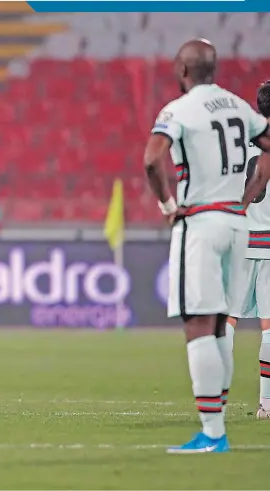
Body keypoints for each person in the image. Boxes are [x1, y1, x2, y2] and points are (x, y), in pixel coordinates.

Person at [143, 38, 270, 453]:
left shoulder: (178, 110)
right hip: (238, 225)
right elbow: (266, 142)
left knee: (201, 324)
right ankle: (218, 420)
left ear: (183, 71)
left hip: (200, 219)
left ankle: (213, 432)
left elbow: (151, 158)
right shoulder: (238, 106)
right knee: (220, 327)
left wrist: (168, 205)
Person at [227, 80, 270, 419]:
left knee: (227, 323)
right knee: (269, 328)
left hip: (240, 242)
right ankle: (266, 405)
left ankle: (216, 402)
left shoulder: (240, 144)